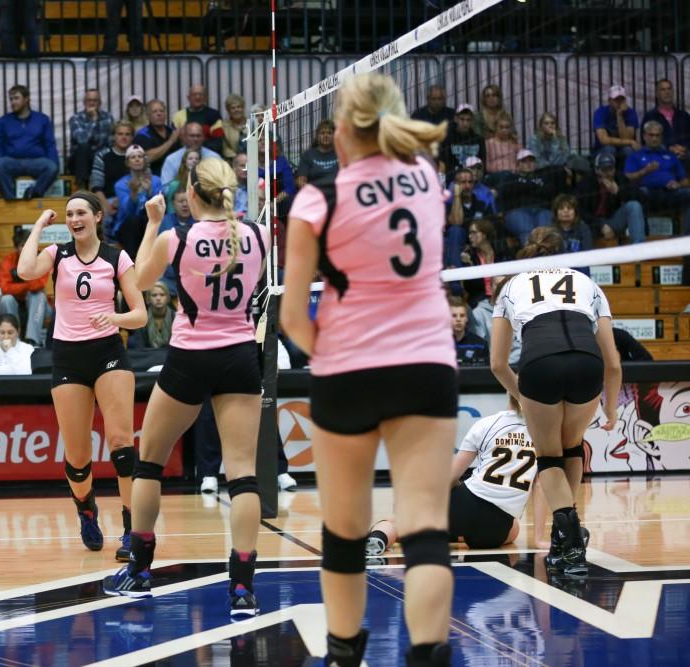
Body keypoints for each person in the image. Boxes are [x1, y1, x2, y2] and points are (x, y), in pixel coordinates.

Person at [280, 72, 457, 667]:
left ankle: (343, 654)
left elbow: (292, 318)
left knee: (346, 531)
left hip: (348, 369)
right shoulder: (431, 180)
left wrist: (327, 355)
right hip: (427, 363)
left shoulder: (316, 199)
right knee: (427, 530)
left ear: (337, 133)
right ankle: (429, 656)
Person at [104, 158, 270, 620]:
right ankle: (242, 585)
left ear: (192, 194)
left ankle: (138, 570)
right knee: (243, 475)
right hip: (239, 356)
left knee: (149, 463)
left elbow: (134, 284)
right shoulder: (259, 236)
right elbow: (252, 286)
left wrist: (153, 223)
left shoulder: (175, 238)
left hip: (189, 357)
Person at [17, 192, 147, 559]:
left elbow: (140, 314)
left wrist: (116, 319)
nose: (74, 219)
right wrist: (40, 226)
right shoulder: (57, 255)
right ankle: (86, 510)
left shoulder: (116, 257)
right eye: (69, 214)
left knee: (122, 444)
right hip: (68, 357)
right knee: (77, 456)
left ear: (97, 217)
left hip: (108, 352)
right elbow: (25, 271)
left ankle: (131, 530)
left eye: (81, 213)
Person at [490, 227, 622, 578]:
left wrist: (523, 397)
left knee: (548, 455)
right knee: (572, 446)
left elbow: (498, 364)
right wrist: (610, 407)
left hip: (539, 363)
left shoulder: (510, 286)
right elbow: (613, 363)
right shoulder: (587, 283)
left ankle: (571, 536)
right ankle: (566, 535)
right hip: (587, 362)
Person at [367, 396, 535, 555]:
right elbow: (540, 485)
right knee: (514, 530)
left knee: (396, 522)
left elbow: (451, 475)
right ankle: (448, 530)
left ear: (508, 391)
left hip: (467, 502)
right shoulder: (540, 431)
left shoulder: (488, 423)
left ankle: (378, 538)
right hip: (497, 524)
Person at [0, 85, 59, 201]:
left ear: (26, 99)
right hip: (12, 161)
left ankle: (34, 193)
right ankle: (11, 199)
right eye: (11, 99)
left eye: (16, 98)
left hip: (36, 161)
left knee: (52, 167)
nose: (13, 102)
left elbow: (50, 145)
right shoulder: (3, 121)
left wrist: (56, 164)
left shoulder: (42, 119)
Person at [624, 120, 690, 230]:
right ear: (644, 136)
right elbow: (628, 177)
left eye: (658, 135)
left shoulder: (671, 156)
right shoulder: (635, 156)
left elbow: (685, 181)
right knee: (637, 195)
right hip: (646, 194)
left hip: (669, 193)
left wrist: (677, 184)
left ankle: (687, 238)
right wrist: (644, 171)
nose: (654, 138)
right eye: (651, 135)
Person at [575, 152, 645, 244]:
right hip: (591, 224)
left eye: (610, 169)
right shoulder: (587, 182)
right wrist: (601, 225)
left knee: (634, 206)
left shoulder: (619, 178)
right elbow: (579, 210)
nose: (608, 173)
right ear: (597, 170)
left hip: (612, 221)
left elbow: (643, 199)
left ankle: (638, 249)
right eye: (604, 170)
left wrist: (618, 192)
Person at [0, 225, 49, 345]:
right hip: (16, 305)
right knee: (6, 299)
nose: (27, 249)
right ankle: (14, 340)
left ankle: (32, 341)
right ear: (17, 248)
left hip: (37, 306)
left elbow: (39, 285)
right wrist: (26, 286)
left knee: (38, 295)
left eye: (29, 245)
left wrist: (27, 266)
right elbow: (5, 288)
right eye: (22, 245)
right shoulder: (8, 260)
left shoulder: (42, 258)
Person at [114, 145, 163, 258]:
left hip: (149, 223)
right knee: (134, 220)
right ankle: (133, 262)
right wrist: (133, 193)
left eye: (140, 156)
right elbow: (128, 213)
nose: (137, 159)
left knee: (148, 219)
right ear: (127, 162)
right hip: (127, 226)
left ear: (145, 160)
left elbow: (159, 209)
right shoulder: (121, 184)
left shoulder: (155, 181)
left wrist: (150, 192)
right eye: (133, 157)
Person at [501, 149, 555, 246]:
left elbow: (550, 191)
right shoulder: (510, 177)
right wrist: (534, 186)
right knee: (527, 230)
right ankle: (531, 256)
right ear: (517, 165)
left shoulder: (543, 176)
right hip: (517, 210)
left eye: (531, 161)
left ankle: (545, 257)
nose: (528, 164)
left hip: (542, 209)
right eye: (524, 161)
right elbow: (507, 191)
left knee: (545, 232)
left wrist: (524, 187)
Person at [90, 121, 137, 230]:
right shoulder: (102, 156)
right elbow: (96, 186)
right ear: (114, 136)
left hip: (134, 198)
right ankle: (110, 244)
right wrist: (106, 207)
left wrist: (124, 198)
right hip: (108, 200)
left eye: (127, 134)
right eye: (120, 134)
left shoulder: (138, 156)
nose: (124, 137)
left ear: (132, 137)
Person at [68, 89, 115, 189]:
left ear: (100, 102)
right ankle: (82, 187)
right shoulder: (76, 118)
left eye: (95, 100)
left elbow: (111, 142)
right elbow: (82, 140)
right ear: (84, 102)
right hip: (79, 162)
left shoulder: (108, 118)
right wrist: (93, 121)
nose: (92, 103)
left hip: (101, 157)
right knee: (83, 147)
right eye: (89, 100)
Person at [642, 78, 690, 170]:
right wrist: (670, 148)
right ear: (657, 94)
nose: (667, 92)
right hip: (661, 152)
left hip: (684, 152)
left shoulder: (684, 115)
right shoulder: (650, 116)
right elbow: (645, 140)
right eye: (663, 89)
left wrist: (684, 148)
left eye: (669, 89)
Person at [459, 219, 503, 309]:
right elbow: (470, 287)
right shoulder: (470, 256)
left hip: (500, 298)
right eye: (469, 233)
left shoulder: (501, 255)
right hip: (479, 301)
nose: (470, 236)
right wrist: (469, 265)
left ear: (484, 235)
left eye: (474, 232)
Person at [592, 85, 640, 166]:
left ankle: (628, 177)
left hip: (623, 148)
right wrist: (630, 142)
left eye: (622, 99)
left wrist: (619, 116)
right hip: (602, 149)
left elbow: (627, 137)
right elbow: (604, 140)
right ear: (609, 101)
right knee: (610, 149)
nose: (619, 102)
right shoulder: (600, 112)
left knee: (628, 151)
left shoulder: (631, 113)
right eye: (616, 100)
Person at [135, 99, 181, 176]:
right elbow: (148, 157)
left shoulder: (172, 131)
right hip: (153, 180)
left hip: (175, 179)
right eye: (155, 111)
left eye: (161, 111)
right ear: (148, 116)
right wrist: (170, 142)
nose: (159, 114)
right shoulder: (142, 134)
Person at [439, 104, 484, 178]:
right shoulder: (447, 139)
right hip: (454, 178)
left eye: (468, 120)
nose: (465, 123)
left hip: (475, 177)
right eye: (462, 119)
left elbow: (483, 163)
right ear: (456, 119)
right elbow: (443, 164)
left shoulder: (479, 139)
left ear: (472, 121)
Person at [127, 281, 174, 349]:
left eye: (162, 295)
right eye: (154, 295)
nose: (158, 298)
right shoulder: (142, 319)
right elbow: (139, 346)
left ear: (168, 298)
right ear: (148, 298)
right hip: (148, 355)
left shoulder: (175, 318)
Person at [296, 120, 339, 189]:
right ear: (317, 136)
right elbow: (301, 180)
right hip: (315, 194)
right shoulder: (307, 155)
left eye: (329, 133)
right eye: (322, 133)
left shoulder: (342, 153)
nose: (326, 135)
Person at [451, 297, 488, 366]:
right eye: (454, 316)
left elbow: (484, 373)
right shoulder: (439, 344)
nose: (458, 319)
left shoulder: (480, 344)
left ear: (466, 319)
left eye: (462, 316)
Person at [210, 94, 249, 160]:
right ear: (228, 110)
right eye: (233, 108)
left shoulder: (253, 124)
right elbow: (224, 147)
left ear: (243, 108)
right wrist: (238, 158)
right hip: (232, 161)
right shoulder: (223, 126)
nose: (236, 110)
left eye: (239, 107)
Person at [484, 111, 521, 178]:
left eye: (507, 127)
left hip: (514, 175)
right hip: (495, 176)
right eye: (501, 127)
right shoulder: (488, 144)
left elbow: (521, 163)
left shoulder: (516, 144)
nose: (504, 130)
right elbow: (486, 165)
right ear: (495, 127)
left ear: (511, 128)